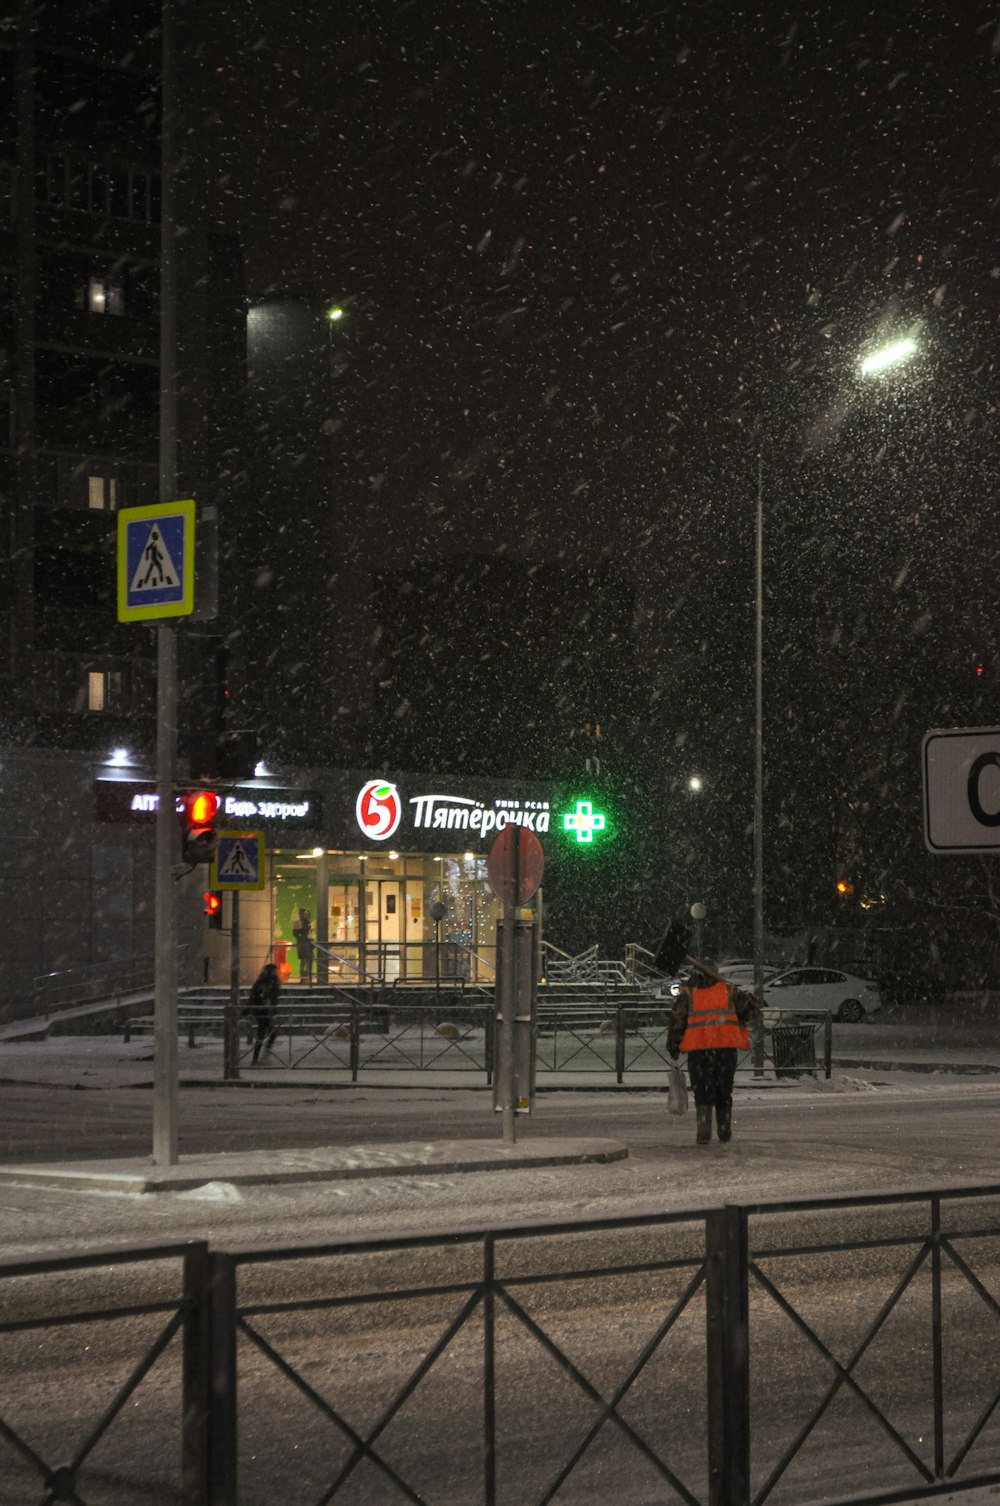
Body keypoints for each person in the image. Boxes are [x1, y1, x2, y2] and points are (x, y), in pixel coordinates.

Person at [668, 963, 757, 1145]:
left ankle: (704, 1130)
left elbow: (678, 1020)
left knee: (702, 1091)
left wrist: (674, 1045)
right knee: (724, 1090)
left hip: (699, 1050)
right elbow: (746, 1010)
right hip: (725, 1049)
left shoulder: (689, 994)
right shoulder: (729, 990)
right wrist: (750, 1001)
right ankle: (724, 1129)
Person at [245, 961, 281, 1065]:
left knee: (264, 1035)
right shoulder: (266, 982)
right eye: (274, 971)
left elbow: (272, 997)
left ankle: (258, 1058)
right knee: (266, 1034)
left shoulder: (268, 981)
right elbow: (257, 996)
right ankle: (260, 1057)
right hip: (262, 1011)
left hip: (263, 1011)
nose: (275, 972)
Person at [293, 906, 314, 985]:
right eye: (305, 914)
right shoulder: (298, 923)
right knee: (303, 962)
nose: (306, 916)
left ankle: (308, 977)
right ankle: (304, 978)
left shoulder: (309, 923)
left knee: (308, 961)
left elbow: (312, 933)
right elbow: (295, 933)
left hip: (308, 944)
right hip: (302, 944)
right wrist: (301, 932)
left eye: (307, 914)